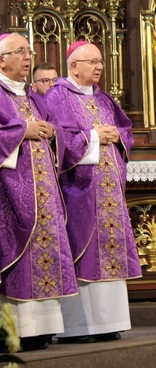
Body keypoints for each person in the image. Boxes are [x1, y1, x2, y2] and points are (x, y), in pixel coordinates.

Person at [44, 41, 141, 343]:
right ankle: (77, 328)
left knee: (109, 251)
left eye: (100, 61)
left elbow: (126, 131)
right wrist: (94, 136)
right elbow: (57, 139)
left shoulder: (104, 99)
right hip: (78, 190)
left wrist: (116, 135)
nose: (99, 66)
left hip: (109, 191)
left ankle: (108, 322)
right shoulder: (57, 96)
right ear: (74, 66)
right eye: (93, 61)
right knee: (80, 252)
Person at [0, 33, 78, 351]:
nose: (27, 56)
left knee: (45, 255)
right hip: (9, 195)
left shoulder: (31, 95)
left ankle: (41, 329)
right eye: (20, 52)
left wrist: (50, 131)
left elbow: (49, 127)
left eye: (28, 51)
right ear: (1, 59)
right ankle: (11, 331)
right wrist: (23, 131)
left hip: (43, 193)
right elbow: (17, 130)